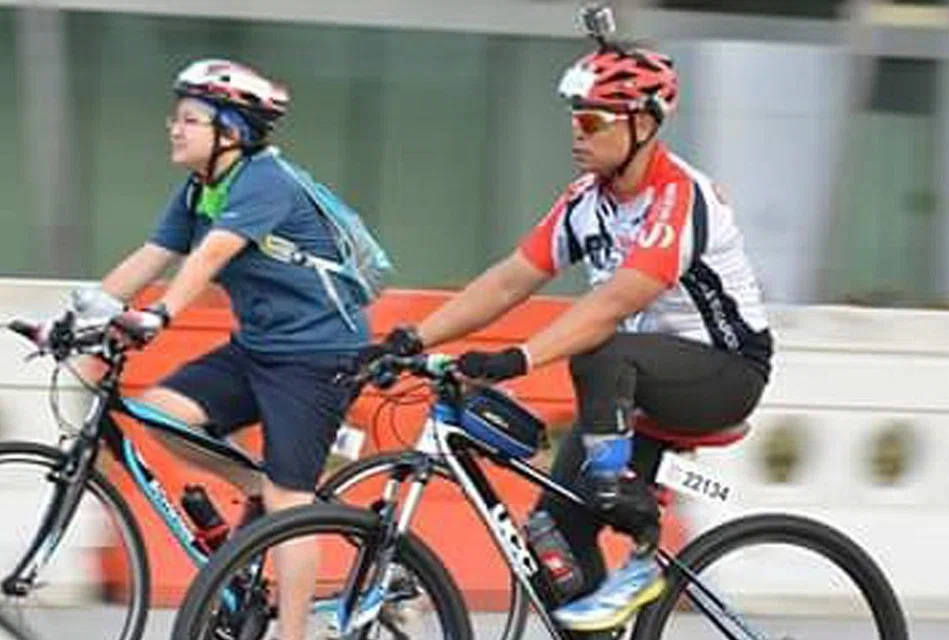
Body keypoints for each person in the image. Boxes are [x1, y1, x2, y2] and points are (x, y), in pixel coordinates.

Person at [372, 39, 773, 634]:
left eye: (591, 120)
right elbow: (510, 280)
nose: (575, 134)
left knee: (599, 351)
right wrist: (411, 338)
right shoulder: (587, 202)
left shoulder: (677, 197)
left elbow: (614, 303)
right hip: (632, 384)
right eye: (573, 120)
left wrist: (518, 358)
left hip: (724, 373)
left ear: (642, 123)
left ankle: (639, 541)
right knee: (548, 538)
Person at [59, 59, 371, 640]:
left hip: (319, 353)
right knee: (164, 412)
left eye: (190, 119)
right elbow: (151, 256)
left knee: (289, 498)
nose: (174, 129)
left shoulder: (265, 181)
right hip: (257, 347)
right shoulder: (200, 188)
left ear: (232, 131)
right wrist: (72, 317)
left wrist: (160, 314)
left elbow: (208, 258)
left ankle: (294, 632)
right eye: (175, 118)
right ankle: (260, 488)